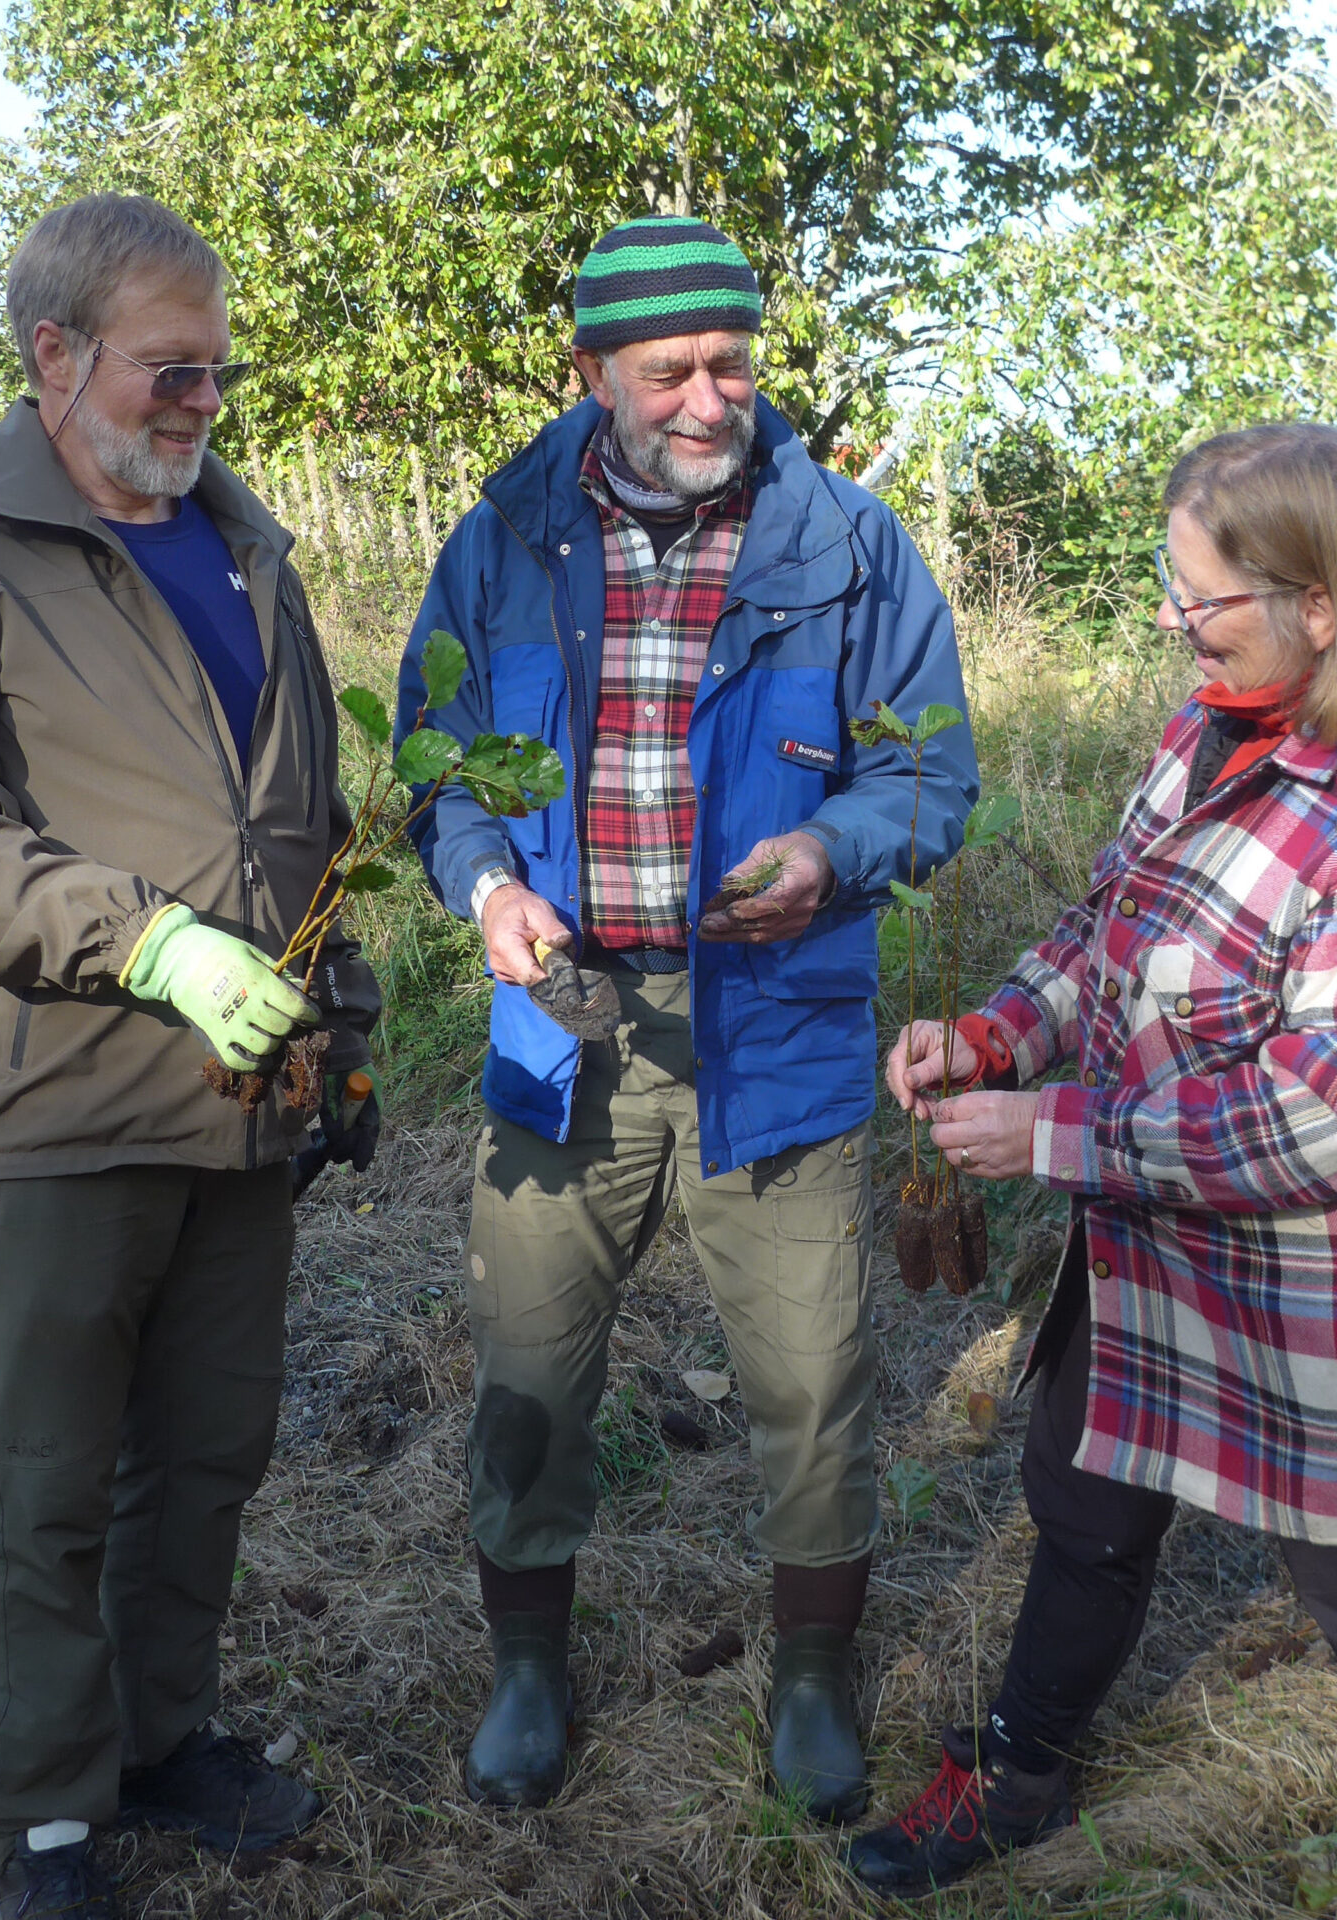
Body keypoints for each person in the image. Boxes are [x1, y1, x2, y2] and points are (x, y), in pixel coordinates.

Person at [849, 423, 1337, 1916]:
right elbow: (1111, 928)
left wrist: (1050, 1135)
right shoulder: (1220, 722)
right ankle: (1020, 1771)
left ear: (1325, 601)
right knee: (1083, 1489)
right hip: (1163, 1235)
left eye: (1204, 600)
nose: (1178, 628)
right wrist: (997, 1035)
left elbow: (1332, 1122)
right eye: (1172, 594)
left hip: (1331, 1288)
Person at [0, 193, 379, 1920]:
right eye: (168, 367)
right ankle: (44, 1814)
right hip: (50, 1104)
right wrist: (150, 942)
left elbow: (307, 822)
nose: (201, 399)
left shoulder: (247, 549)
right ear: (54, 358)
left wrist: (338, 1028)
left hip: (238, 1109)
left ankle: (164, 1739)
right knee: (49, 1483)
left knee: (204, 1453)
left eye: (216, 368)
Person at [397, 216, 976, 1824]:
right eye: (669, 371)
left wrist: (829, 853)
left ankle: (810, 1686)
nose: (709, 398)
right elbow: (438, 763)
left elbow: (932, 776)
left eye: (732, 362)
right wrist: (487, 892)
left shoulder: (853, 548)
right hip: (562, 1024)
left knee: (813, 1371)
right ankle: (528, 1670)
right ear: (590, 375)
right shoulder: (501, 543)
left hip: (773, 1021)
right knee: (532, 1361)